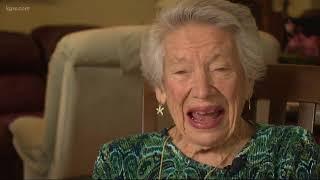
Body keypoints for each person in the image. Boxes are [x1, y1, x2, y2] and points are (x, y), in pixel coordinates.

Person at [92, 0, 320, 179]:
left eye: (220, 68)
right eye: (181, 71)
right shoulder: (118, 162)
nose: (202, 90)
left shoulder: (291, 152)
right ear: (161, 88)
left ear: (248, 82)